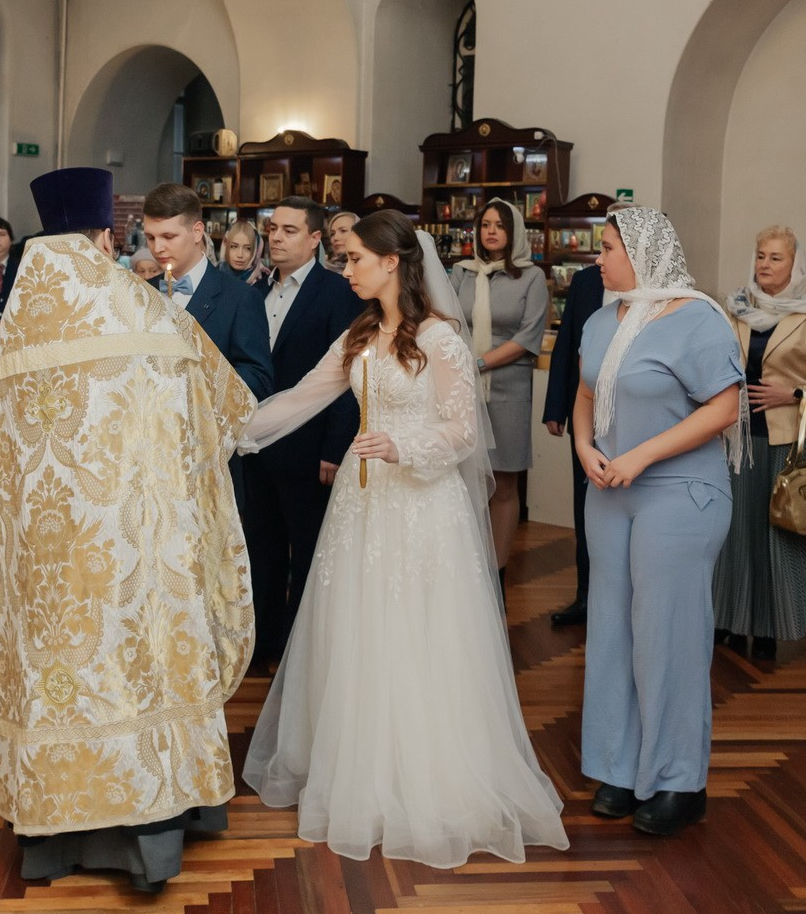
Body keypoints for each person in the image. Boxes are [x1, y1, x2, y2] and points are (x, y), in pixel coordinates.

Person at [238, 210, 568, 867]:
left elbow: (463, 432)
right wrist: (235, 430)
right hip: (363, 507)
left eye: (356, 256)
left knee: (418, 630)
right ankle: (361, 769)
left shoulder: (441, 338)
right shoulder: (360, 333)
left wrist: (402, 443)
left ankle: (426, 776)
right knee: (360, 630)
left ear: (393, 261)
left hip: (422, 504)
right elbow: (303, 397)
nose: (346, 267)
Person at [0, 166, 256, 892]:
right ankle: (151, 827)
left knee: (60, 676)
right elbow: (227, 409)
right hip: (134, 550)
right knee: (137, 668)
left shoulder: (18, 319)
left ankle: (53, 834)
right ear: (106, 234)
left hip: (47, 562)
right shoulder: (148, 315)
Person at [572, 207, 745, 838]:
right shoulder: (600, 320)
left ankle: (677, 781)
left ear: (644, 253)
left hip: (680, 492)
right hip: (609, 492)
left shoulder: (697, 318)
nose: (599, 258)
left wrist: (640, 454)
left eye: (609, 247)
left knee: (667, 637)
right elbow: (587, 393)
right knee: (613, 628)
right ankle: (619, 768)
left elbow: (726, 407)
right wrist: (584, 446)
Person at [714, 225, 806, 660]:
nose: (765, 265)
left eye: (776, 258)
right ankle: (733, 623)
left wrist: (794, 394)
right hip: (737, 437)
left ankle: (774, 628)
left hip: (790, 443)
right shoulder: (733, 309)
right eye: (760, 255)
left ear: (796, 265)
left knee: (781, 539)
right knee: (736, 536)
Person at [242, 197, 364, 668]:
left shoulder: (338, 293)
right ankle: (262, 644)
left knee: (308, 553)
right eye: (272, 228)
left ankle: (300, 652)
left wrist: (334, 449)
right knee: (261, 550)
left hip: (310, 449)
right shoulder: (255, 291)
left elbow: (349, 379)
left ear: (316, 238)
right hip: (255, 446)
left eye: (289, 230)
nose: (275, 237)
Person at [450, 199, 551, 574]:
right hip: (459, 387)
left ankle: (498, 569)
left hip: (508, 388)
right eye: (485, 224)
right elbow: (448, 320)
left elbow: (528, 337)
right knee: (462, 476)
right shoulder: (461, 272)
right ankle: (466, 568)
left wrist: (477, 363)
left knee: (504, 480)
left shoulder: (531, 276)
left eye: (500, 225)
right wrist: (460, 366)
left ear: (515, 232)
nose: (490, 231)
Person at [141, 183, 273, 399]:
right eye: (151, 237)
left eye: (169, 236)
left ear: (197, 232)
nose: (157, 248)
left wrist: (193, 383)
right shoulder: (143, 290)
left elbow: (259, 380)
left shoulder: (240, 297)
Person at [542, 260, 606, 627]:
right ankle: (585, 596)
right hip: (585, 413)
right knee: (584, 506)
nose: (600, 257)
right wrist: (556, 407)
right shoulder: (584, 282)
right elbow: (567, 344)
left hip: (633, 420)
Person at [222, 218, 268, 285]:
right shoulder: (214, 278)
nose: (240, 255)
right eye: (234, 246)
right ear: (226, 247)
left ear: (256, 251)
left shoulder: (264, 284)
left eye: (248, 248)